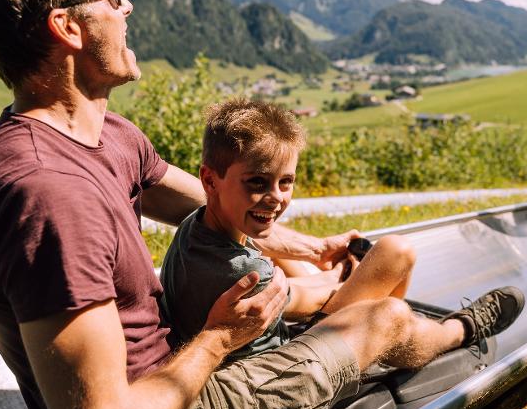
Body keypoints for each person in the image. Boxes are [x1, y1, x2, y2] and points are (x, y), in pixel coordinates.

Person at [0, 0, 524, 409]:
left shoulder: (102, 135)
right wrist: (220, 337)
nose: (127, 7)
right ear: (66, 26)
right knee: (387, 321)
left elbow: (208, 200)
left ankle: (333, 335)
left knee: (317, 289)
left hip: (170, 378)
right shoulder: (51, 194)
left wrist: (303, 247)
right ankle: (459, 330)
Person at [160, 98, 419, 358]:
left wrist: (331, 265)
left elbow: (286, 283)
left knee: (274, 258)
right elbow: (314, 300)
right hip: (292, 363)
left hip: (244, 338)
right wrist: (348, 275)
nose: (276, 197)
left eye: (286, 182)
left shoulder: (193, 225)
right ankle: (388, 344)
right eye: (258, 182)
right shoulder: (244, 273)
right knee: (396, 251)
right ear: (209, 180)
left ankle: (387, 337)